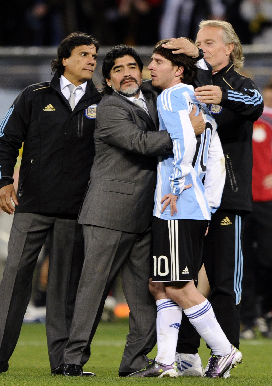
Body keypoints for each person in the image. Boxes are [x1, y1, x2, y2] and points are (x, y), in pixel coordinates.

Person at [61, 44, 206, 377]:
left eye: (132, 66)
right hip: (109, 215)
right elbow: (140, 143)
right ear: (109, 81)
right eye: (117, 69)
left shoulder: (156, 102)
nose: (126, 73)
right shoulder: (109, 107)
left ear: (141, 71)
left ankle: (135, 362)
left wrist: (196, 55)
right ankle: (72, 361)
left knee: (146, 295)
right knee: (93, 290)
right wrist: (187, 131)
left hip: (146, 215)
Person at [0, 31, 101, 376]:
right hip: (31, 205)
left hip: (75, 209)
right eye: (83, 54)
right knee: (15, 278)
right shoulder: (34, 96)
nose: (91, 60)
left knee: (63, 288)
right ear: (64, 59)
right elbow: (5, 139)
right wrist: (4, 182)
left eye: (94, 55)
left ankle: (63, 363)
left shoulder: (101, 101)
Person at [128, 39, 243, 379]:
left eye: (157, 61)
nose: (150, 67)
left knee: (178, 285)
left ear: (177, 69)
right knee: (161, 284)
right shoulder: (193, 96)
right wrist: (204, 203)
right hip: (184, 204)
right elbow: (210, 148)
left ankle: (224, 351)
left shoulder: (171, 95)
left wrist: (179, 189)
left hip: (177, 203)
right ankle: (166, 361)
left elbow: (186, 142)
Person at [174, 20, 264, 376]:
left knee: (225, 281)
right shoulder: (189, 82)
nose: (202, 48)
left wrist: (223, 95)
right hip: (188, 196)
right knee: (183, 278)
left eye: (209, 43)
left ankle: (224, 354)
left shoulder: (239, 85)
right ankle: (185, 354)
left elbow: (254, 104)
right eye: (198, 43)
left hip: (228, 197)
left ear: (229, 47)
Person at [240, 80, 272, 339]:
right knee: (243, 262)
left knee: (267, 259)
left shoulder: (267, 121)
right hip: (242, 199)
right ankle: (248, 319)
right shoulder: (241, 119)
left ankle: (265, 313)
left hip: (268, 200)